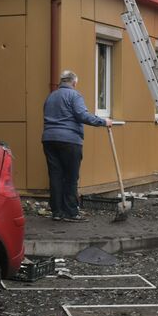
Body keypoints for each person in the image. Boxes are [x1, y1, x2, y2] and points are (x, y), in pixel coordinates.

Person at [42, 69, 112, 222]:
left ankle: (57, 212)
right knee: (71, 176)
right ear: (74, 83)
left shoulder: (51, 97)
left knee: (55, 176)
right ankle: (71, 212)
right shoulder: (74, 95)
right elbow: (82, 115)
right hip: (69, 140)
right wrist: (103, 122)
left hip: (49, 139)